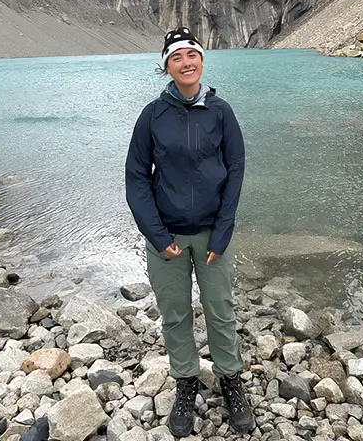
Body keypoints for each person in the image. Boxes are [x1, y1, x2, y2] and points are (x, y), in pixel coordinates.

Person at [125, 27, 253, 436]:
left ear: (202, 61)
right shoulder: (152, 115)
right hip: (168, 236)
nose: (186, 62)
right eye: (176, 56)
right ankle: (186, 381)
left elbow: (236, 171)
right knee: (175, 314)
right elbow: (136, 178)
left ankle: (231, 379)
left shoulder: (221, 111)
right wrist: (157, 235)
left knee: (220, 310)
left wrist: (224, 231)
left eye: (191, 54)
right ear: (166, 66)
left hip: (213, 234)